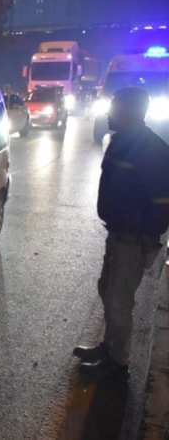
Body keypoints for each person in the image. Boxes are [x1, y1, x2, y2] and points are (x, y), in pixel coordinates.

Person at [73, 86, 169, 380]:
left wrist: (146, 237)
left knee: (119, 299)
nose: (109, 113)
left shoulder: (151, 149)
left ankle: (118, 364)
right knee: (108, 290)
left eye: (115, 107)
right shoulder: (122, 141)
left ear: (131, 112)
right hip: (118, 234)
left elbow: (163, 201)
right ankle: (109, 346)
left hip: (133, 239)